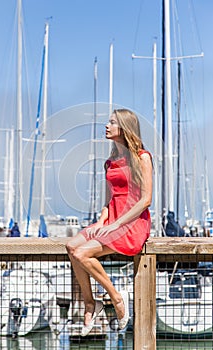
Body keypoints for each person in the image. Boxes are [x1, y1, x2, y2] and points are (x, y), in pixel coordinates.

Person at [66, 108, 153, 336]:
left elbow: (146, 200)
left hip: (133, 223)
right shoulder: (110, 162)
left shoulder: (142, 157)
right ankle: (90, 303)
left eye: (112, 122)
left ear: (124, 127)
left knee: (82, 253)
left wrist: (117, 224)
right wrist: (101, 222)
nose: (107, 125)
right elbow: (109, 200)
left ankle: (116, 298)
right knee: (71, 246)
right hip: (113, 219)